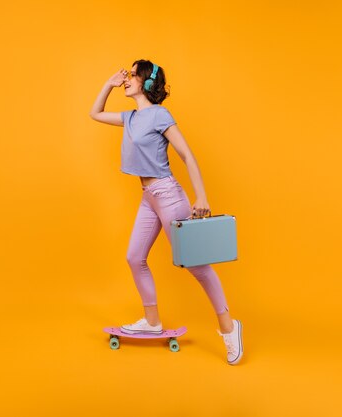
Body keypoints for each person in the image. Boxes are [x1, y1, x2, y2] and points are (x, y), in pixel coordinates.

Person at [89, 59, 243, 365]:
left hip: (169, 196)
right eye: (127, 74)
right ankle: (152, 320)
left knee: (196, 266)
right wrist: (109, 82)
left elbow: (186, 153)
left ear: (146, 83)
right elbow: (94, 113)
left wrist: (201, 195)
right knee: (134, 257)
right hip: (149, 197)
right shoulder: (130, 117)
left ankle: (229, 327)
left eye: (133, 74)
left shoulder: (160, 115)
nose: (127, 78)